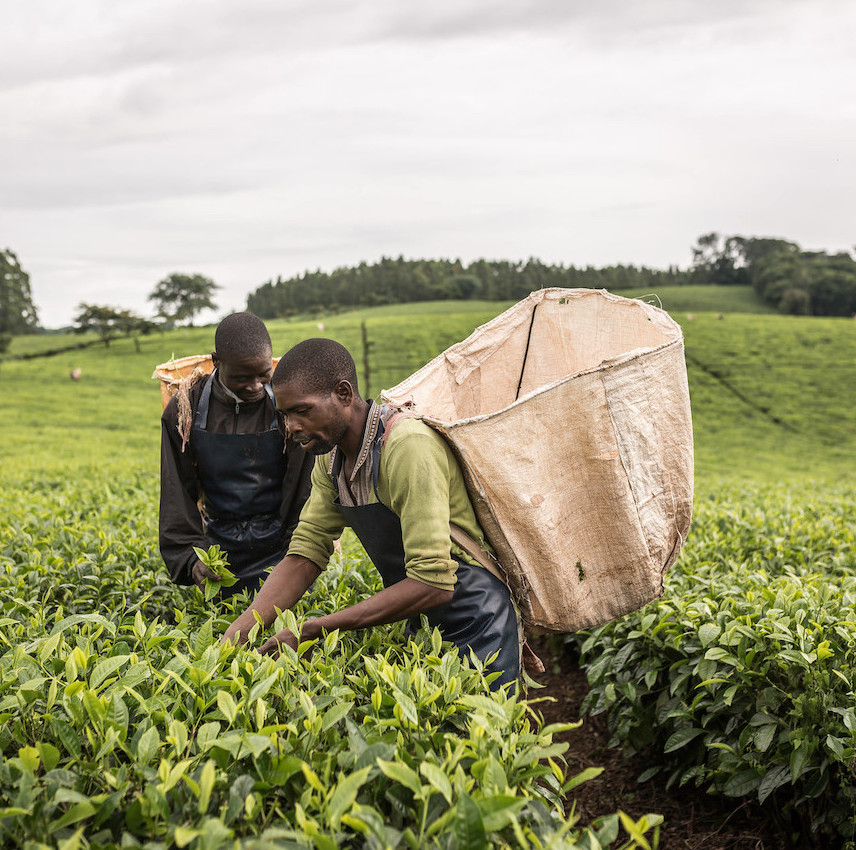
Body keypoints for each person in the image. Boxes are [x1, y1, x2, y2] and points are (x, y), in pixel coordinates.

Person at [222, 338, 521, 690]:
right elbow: (306, 552)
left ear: (344, 394)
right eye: (285, 414)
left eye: (302, 410)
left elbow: (433, 583)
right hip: (420, 621)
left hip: (478, 622)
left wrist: (317, 627)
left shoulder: (407, 447)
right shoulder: (330, 459)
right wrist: (239, 632)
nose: (291, 427)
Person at [159, 313, 313, 599]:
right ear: (216, 361)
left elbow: (303, 486)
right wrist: (194, 561)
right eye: (242, 377)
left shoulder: (286, 404)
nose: (255, 386)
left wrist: (298, 556)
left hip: (281, 549)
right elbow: (176, 492)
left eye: (263, 374)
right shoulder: (185, 408)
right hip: (218, 550)